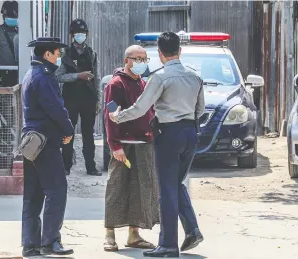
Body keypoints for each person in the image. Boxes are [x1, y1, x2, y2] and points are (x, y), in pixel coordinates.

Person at [109, 32, 205, 257]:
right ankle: (192, 230)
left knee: (167, 189)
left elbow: (141, 108)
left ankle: (168, 245)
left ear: (160, 54)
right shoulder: (195, 78)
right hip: (190, 133)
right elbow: (200, 110)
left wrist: (118, 117)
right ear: (179, 51)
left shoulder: (160, 78)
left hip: (169, 134)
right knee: (176, 183)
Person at [21, 37, 74, 257]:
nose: (59, 58)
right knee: (56, 190)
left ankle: (30, 245)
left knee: (33, 194)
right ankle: (51, 241)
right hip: (45, 142)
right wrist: (68, 130)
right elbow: (56, 109)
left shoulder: (30, 74)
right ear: (47, 55)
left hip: (31, 142)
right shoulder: (44, 77)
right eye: (57, 53)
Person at [103, 45, 159, 252]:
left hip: (144, 143)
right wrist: (115, 145)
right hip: (124, 146)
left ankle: (134, 234)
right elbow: (110, 116)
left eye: (144, 59)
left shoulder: (144, 83)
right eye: (137, 59)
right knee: (117, 187)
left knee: (140, 189)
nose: (141, 63)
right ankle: (109, 234)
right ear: (127, 60)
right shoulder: (115, 84)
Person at [55, 18, 101, 176]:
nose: (80, 36)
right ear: (72, 35)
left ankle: (91, 166)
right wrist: (77, 76)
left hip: (88, 98)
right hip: (70, 98)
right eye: (77, 33)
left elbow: (97, 78)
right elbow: (59, 76)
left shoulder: (92, 53)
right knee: (68, 132)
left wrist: (98, 100)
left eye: (83, 33)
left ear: (87, 34)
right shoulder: (65, 54)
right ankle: (65, 166)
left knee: (89, 134)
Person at [0, 0, 18, 87]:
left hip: (18, 74)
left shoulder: (23, 33)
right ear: (3, 16)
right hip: (0, 75)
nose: (12, 18)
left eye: (15, 16)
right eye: (9, 16)